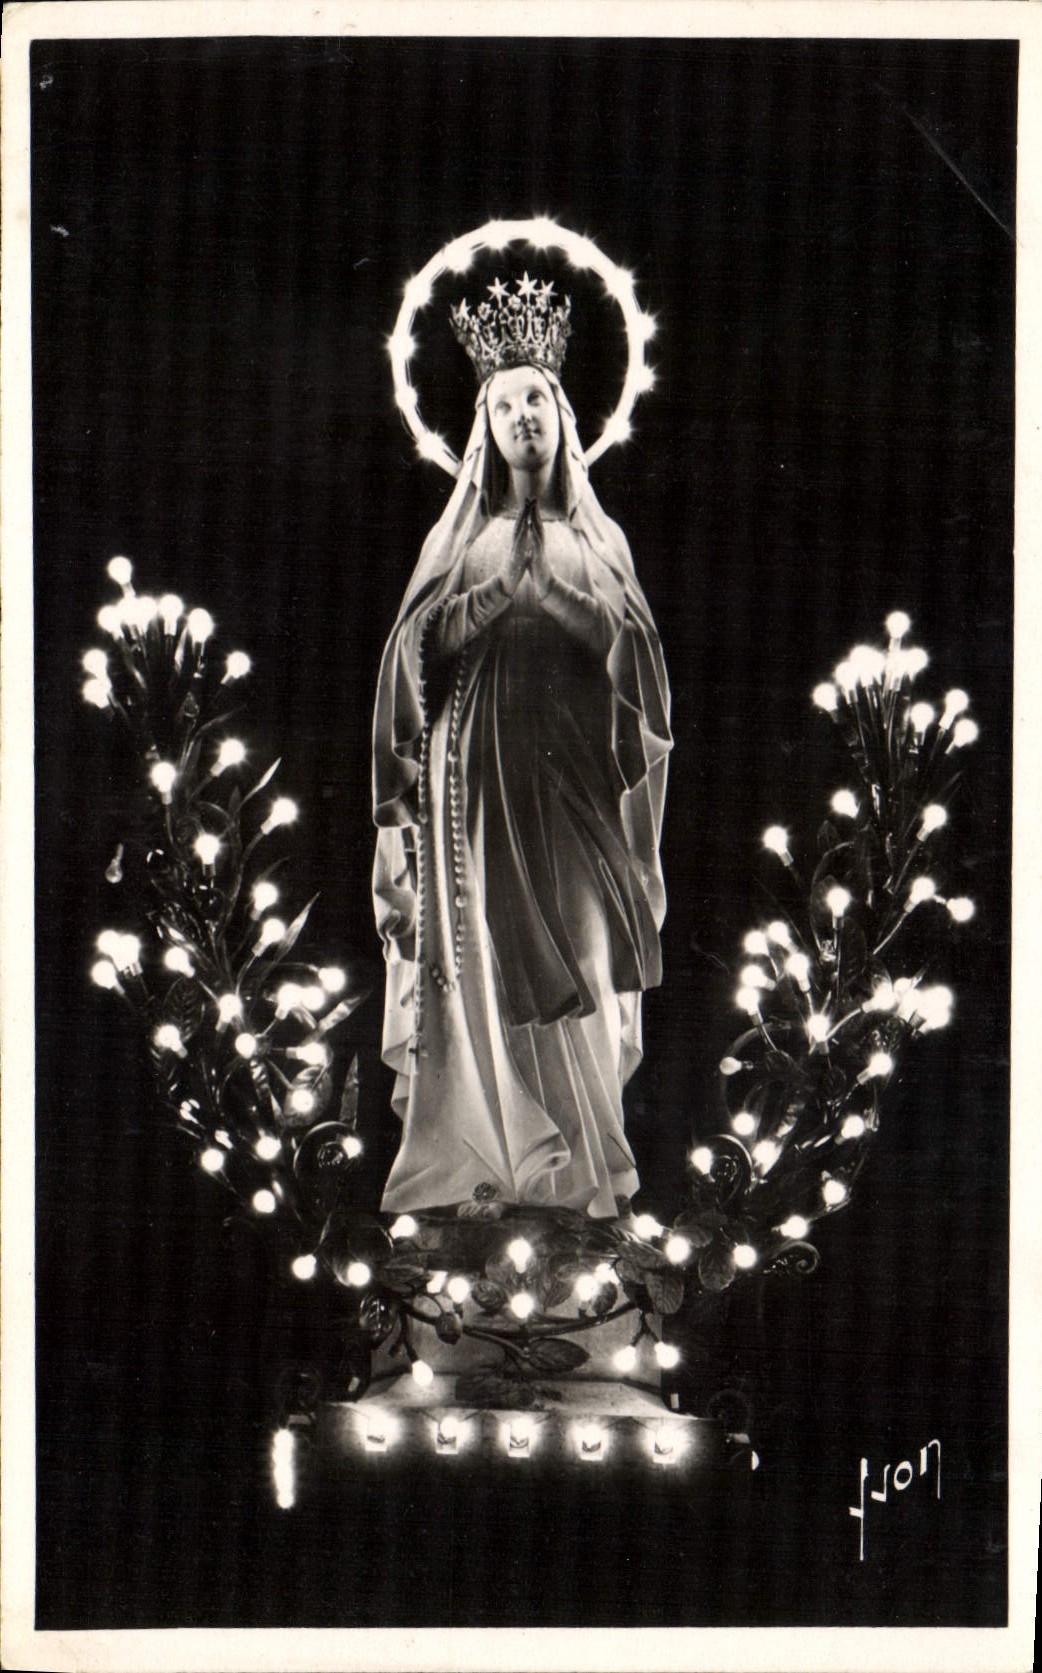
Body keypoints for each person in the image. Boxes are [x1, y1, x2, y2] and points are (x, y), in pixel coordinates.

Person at [372, 278, 671, 1217]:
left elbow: (642, 673)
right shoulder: (461, 540)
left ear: (563, 413)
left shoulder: (602, 538)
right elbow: (410, 656)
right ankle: (493, 1178)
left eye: (534, 396)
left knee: (581, 960)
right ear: (483, 429)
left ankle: (580, 1181)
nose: (521, 416)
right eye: (502, 404)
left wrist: (569, 602)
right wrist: (499, 597)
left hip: (575, 784)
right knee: (484, 963)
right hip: (475, 783)